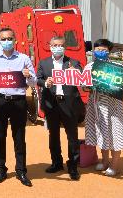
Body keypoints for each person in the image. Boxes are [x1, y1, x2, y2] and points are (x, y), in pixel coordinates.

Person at [0, 26, 36, 187]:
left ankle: (21, 170)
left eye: (10, 39)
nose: (7, 42)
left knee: (19, 137)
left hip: (18, 101)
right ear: (0, 41)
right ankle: (0, 169)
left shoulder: (24, 58)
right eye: (4, 39)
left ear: (15, 40)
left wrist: (28, 77)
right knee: (0, 136)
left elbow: (34, 81)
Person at [82, 39, 123, 177]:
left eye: (104, 50)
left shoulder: (115, 66)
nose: (101, 52)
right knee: (101, 133)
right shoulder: (89, 66)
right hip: (95, 106)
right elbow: (83, 85)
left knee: (115, 133)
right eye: (98, 49)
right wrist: (86, 86)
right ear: (94, 51)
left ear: (109, 51)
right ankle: (105, 161)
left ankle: (114, 165)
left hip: (113, 107)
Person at [36, 36, 84, 181]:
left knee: (72, 136)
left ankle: (73, 166)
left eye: (60, 45)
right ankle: (56, 162)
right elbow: (37, 79)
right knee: (53, 135)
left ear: (65, 47)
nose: (57, 47)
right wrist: (46, 83)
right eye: (55, 45)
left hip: (69, 103)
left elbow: (82, 80)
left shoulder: (73, 62)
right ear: (50, 46)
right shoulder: (43, 63)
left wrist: (74, 72)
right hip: (51, 104)